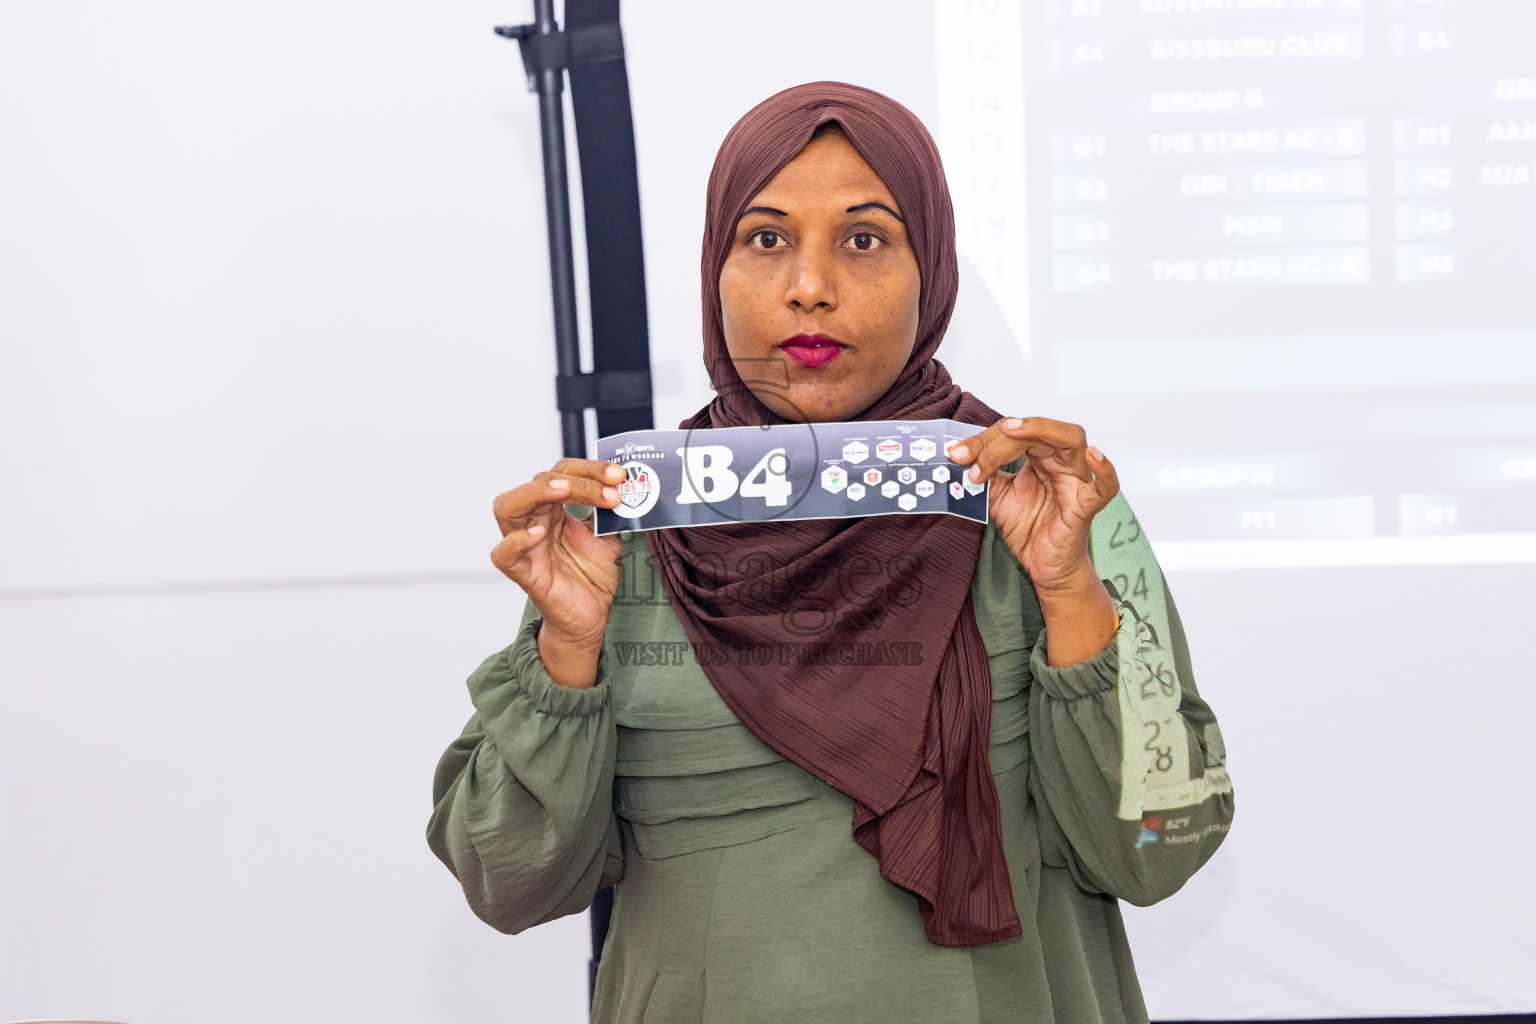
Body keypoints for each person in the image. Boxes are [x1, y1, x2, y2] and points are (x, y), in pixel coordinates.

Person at [427, 81, 1234, 1023]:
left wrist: (1068, 593)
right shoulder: (631, 521)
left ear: (929, 268)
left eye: (865, 239)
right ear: (713, 272)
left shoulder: (1047, 500)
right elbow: (506, 880)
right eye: (766, 239)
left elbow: (1157, 850)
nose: (811, 285)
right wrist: (565, 653)